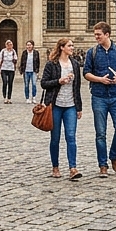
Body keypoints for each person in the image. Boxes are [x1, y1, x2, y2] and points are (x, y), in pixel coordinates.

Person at [82, 21, 116, 177]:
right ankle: (103, 165)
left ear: (107, 34)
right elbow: (86, 73)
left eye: (98, 35)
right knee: (100, 133)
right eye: (95, 35)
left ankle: (114, 155)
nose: (96, 37)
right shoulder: (92, 52)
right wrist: (99, 79)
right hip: (98, 95)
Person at [40, 37, 83, 180]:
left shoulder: (75, 64)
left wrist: (79, 107)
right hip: (55, 105)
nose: (72, 47)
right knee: (55, 138)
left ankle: (73, 168)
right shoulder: (51, 64)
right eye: (70, 45)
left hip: (70, 105)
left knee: (71, 137)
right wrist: (59, 81)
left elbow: (77, 88)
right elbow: (44, 83)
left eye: (72, 45)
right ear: (62, 47)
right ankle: (55, 167)